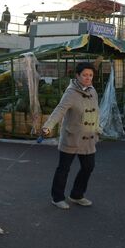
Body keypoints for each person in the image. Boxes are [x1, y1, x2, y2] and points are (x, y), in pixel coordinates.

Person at [42, 62, 100, 210]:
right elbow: (59, 110)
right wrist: (48, 126)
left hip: (88, 138)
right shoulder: (71, 92)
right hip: (72, 137)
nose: (88, 78)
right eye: (85, 75)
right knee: (63, 168)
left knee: (88, 166)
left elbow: (96, 112)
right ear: (77, 76)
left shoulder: (93, 91)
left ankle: (77, 194)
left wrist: (98, 129)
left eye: (90, 75)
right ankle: (57, 197)